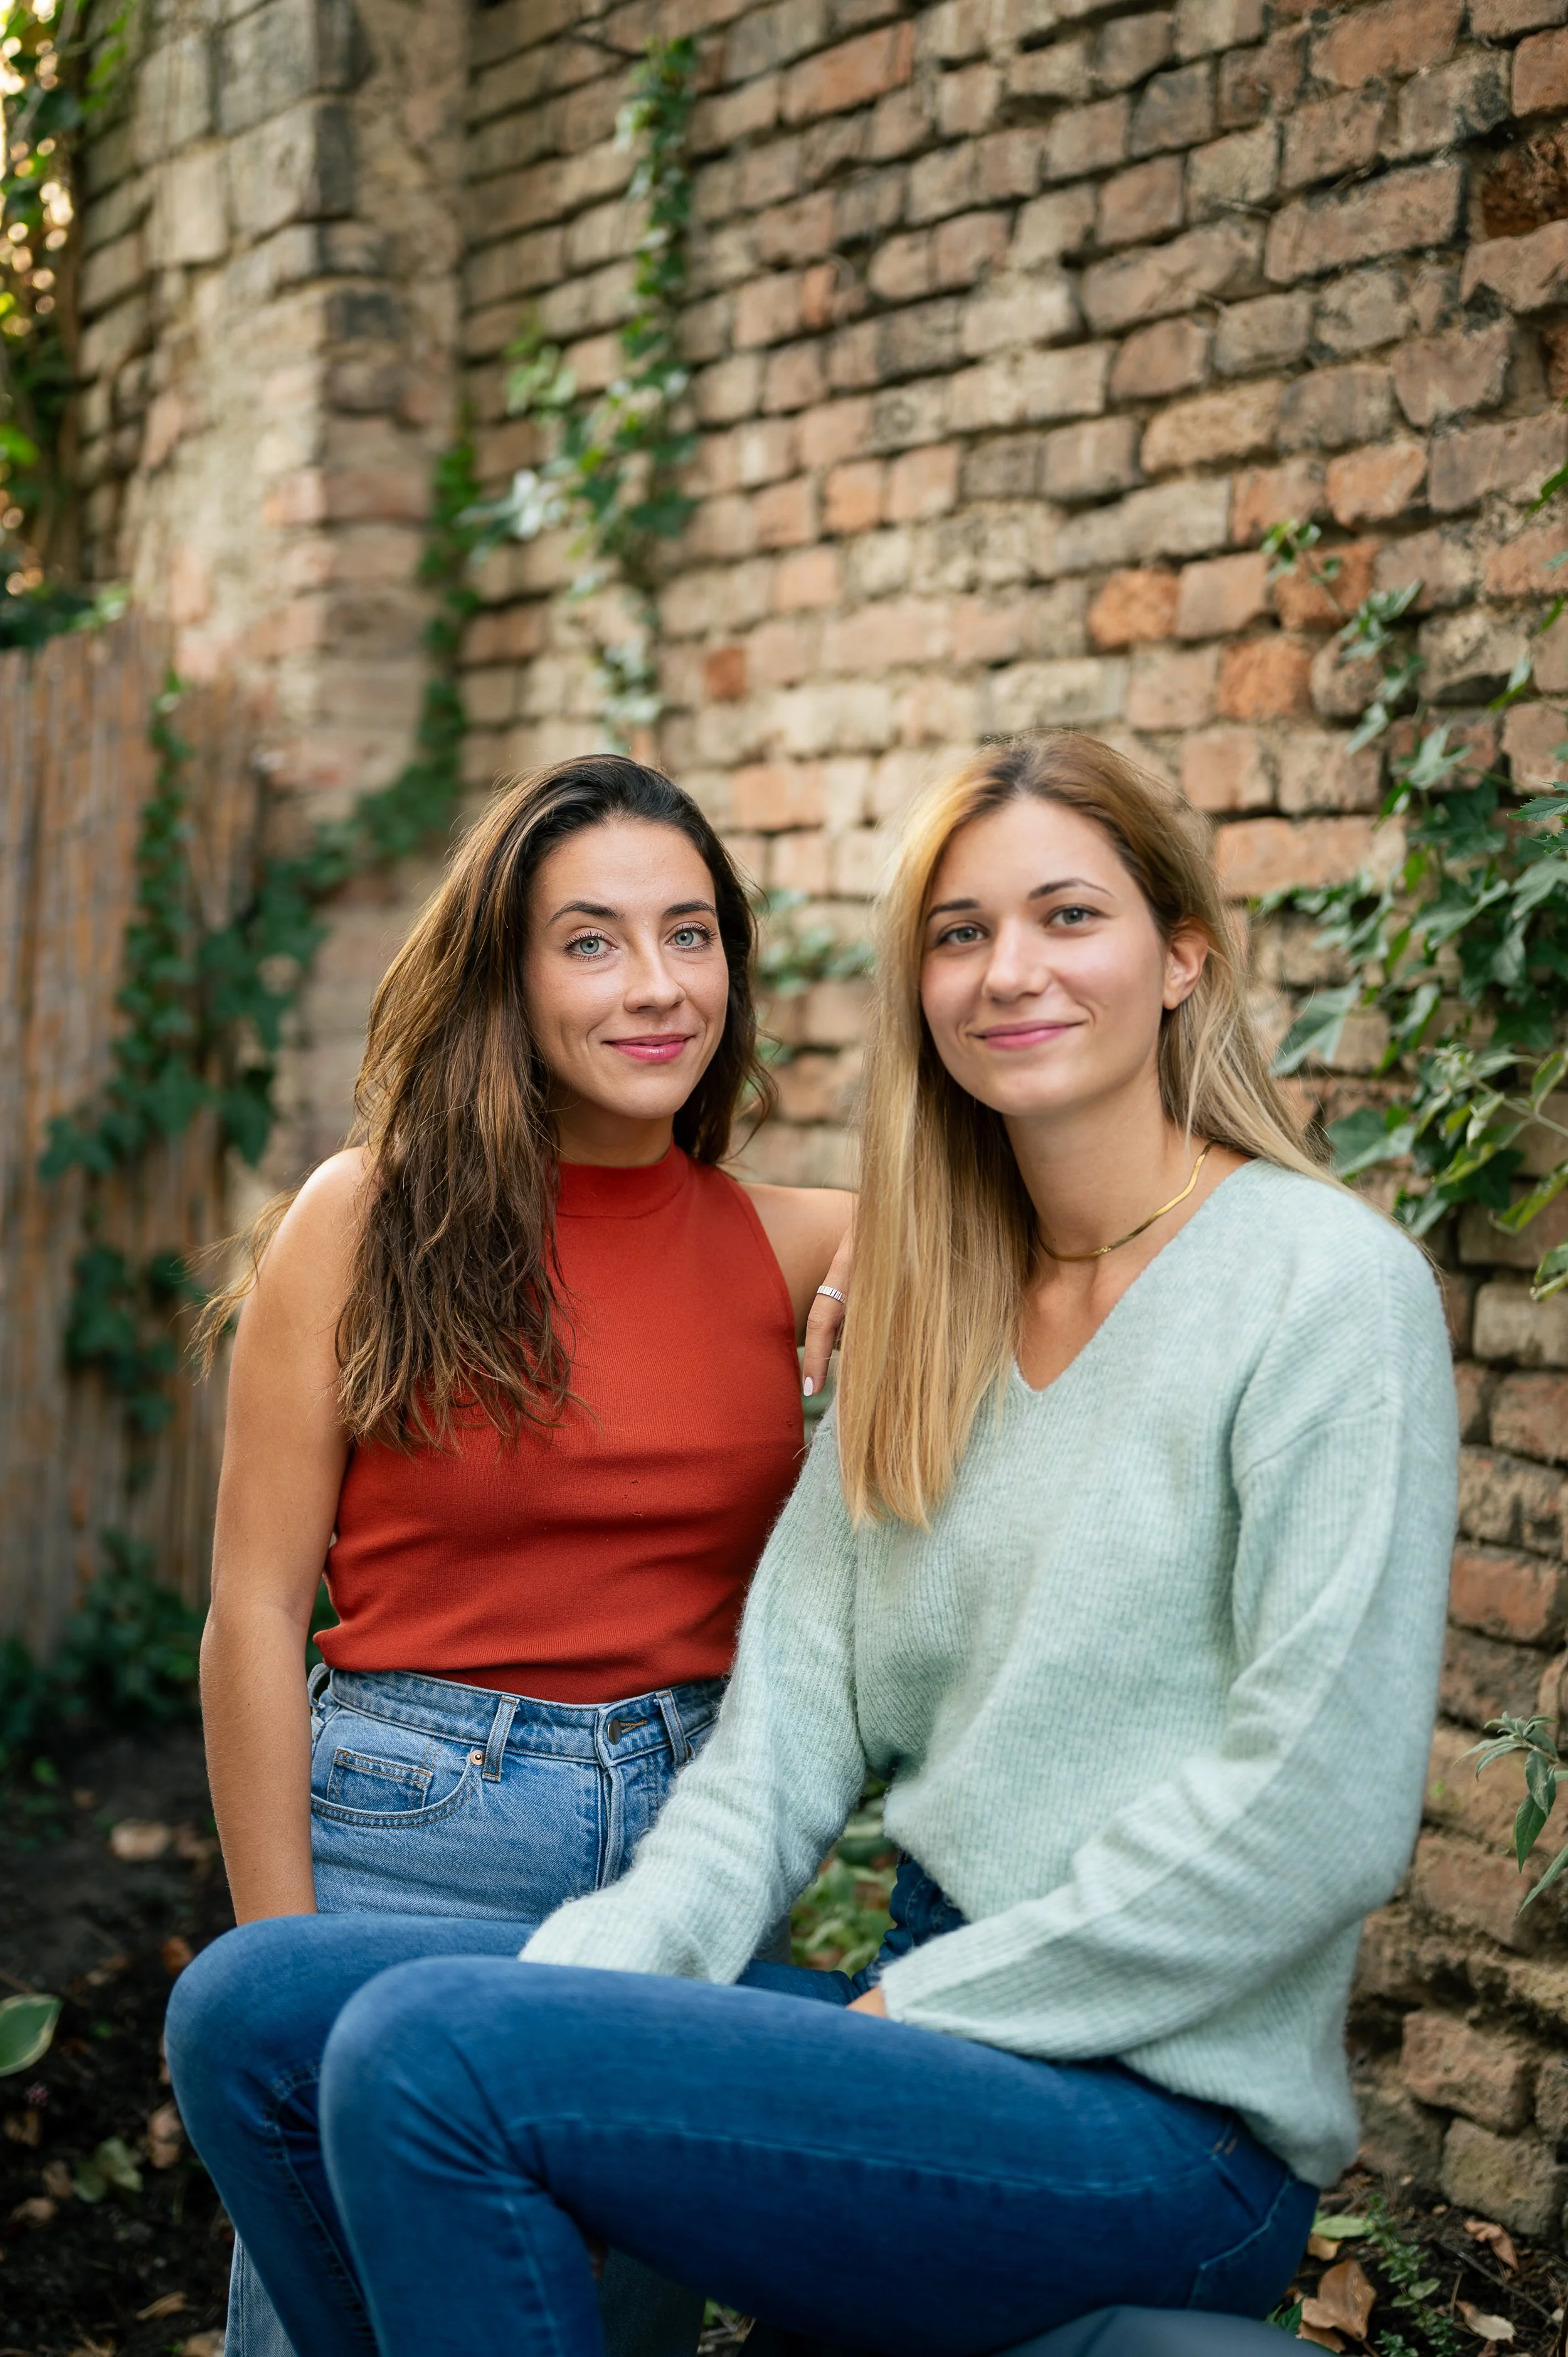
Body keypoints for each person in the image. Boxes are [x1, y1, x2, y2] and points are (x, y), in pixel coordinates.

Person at [169, 732, 1459, 2356]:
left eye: (1067, 914)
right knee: (250, 2003)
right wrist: (593, 1979)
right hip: (519, 1843)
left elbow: (1318, 1814)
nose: (1009, 971)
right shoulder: (927, 1315)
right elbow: (780, 1746)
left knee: (428, 2056)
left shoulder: (1300, 1283)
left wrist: (915, 2004)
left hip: (1135, 2080)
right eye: (958, 931)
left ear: (1182, 952)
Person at [195, 753, 852, 2357]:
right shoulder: (367, 1221)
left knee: (596, 2331)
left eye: (689, 936)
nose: (654, 987)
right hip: (410, 1839)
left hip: (688, 1863)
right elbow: (254, 1608)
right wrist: (279, 1966)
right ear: (507, 972)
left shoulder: (815, 1241)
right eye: (592, 941)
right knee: (344, 2321)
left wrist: (919, 1244)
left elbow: (1105, 1235)